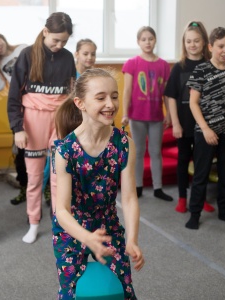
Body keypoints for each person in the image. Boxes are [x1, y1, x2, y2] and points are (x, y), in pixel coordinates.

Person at [53, 68, 144, 299]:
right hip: (72, 228)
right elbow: (61, 210)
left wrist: (131, 240)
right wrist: (85, 237)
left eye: (114, 96)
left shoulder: (124, 144)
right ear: (80, 103)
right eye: (101, 97)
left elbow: (130, 198)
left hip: (107, 224)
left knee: (124, 289)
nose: (110, 104)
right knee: (70, 292)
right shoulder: (65, 151)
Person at [7, 12, 76, 243]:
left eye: (64, 41)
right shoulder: (27, 55)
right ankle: (34, 222)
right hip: (33, 121)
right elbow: (14, 95)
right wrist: (18, 128)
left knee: (60, 175)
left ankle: (60, 223)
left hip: (59, 121)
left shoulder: (67, 58)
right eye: (56, 39)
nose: (59, 45)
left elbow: (71, 93)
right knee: (35, 177)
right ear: (45, 32)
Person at [186, 27, 225, 229]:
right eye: (220, 46)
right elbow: (193, 103)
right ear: (210, 47)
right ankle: (194, 214)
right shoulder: (201, 71)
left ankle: (224, 211)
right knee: (201, 175)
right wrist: (206, 129)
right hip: (205, 133)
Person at [164, 21, 215, 213]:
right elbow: (171, 96)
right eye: (188, 41)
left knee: (203, 162)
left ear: (204, 43)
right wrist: (175, 123)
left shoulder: (210, 66)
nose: (192, 45)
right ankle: (183, 198)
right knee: (184, 160)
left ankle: (199, 198)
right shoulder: (179, 67)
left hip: (204, 125)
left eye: (196, 41)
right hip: (184, 124)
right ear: (184, 43)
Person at [121, 26, 173, 201]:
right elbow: (127, 90)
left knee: (155, 152)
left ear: (155, 40)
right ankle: (138, 186)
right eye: (143, 39)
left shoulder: (164, 65)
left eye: (150, 38)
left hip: (156, 116)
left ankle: (158, 187)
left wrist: (169, 114)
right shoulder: (132, 63)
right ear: (138, 42)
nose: (147, 42)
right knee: (138, 152)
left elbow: (166, 93)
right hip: (137, 116)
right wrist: (125, 113)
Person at [0, 29, 28, 205]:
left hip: (37, 104)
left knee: (44, 148)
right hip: (19, 109)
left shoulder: (22, 49)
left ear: (2, 37)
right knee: (20, 151)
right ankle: (24, 187)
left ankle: (46, 188)